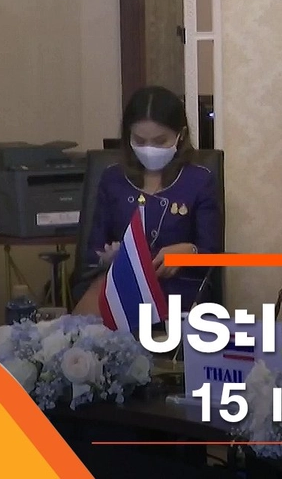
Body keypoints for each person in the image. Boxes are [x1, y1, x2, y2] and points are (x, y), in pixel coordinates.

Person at [72, 86, 222, 315]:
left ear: (180, 135)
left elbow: (212, 257)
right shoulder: (113, 179)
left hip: (179, 296)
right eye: (140, 140)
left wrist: (189, 251)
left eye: (160, 141)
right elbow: (92, 252)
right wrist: (109, 258)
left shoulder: (200, 180)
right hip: (121, 292)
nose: (149, 149)